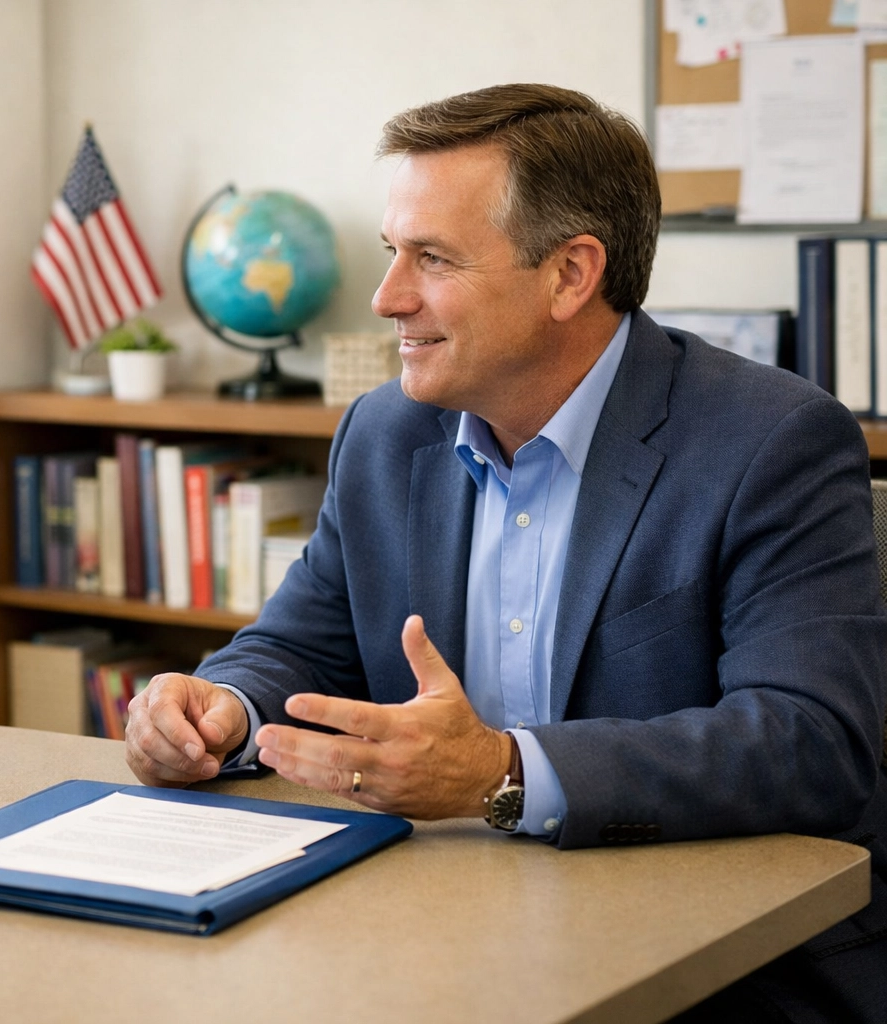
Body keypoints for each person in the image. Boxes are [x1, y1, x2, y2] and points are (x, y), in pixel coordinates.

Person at [124, 84, 887, 1021]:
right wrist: (221, 708)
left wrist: (503, 774)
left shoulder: (772, 442)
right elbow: (301, 645)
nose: (386, 297)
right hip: (437, 929)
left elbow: (812, 743)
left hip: (711, 957)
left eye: (433, 259)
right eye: (390, 253)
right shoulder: (384, 433)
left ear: (571, 274)